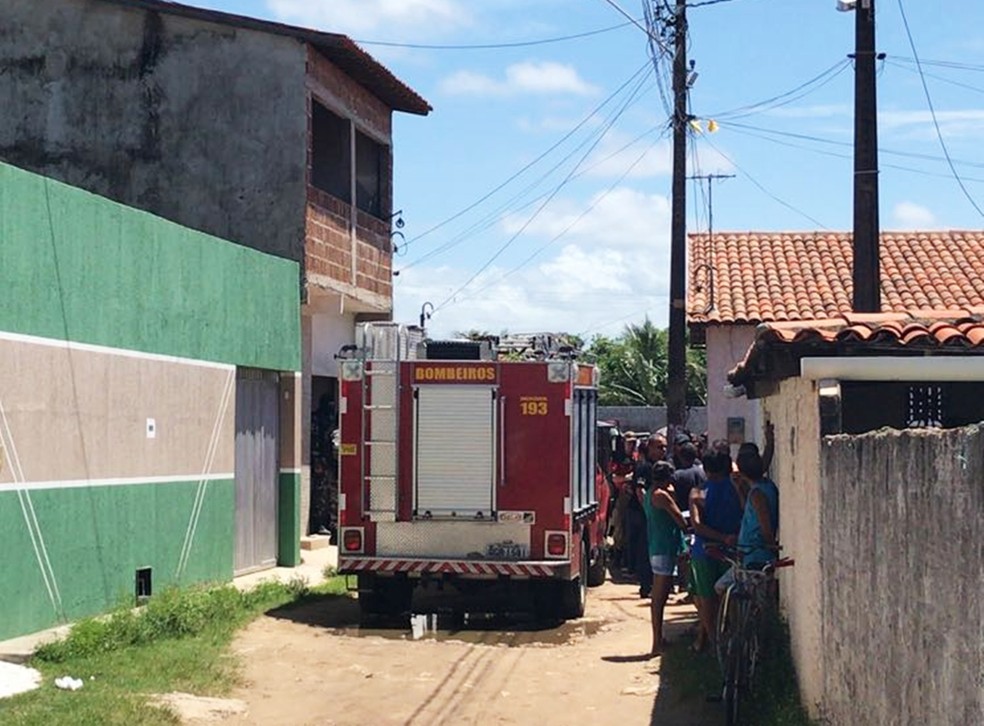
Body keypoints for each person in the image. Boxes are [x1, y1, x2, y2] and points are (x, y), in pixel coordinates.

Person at [688, 450, 743, 652]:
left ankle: (715, 644)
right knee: (731, 598)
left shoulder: (698, 493)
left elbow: (697, 526)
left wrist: (719, 537)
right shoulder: (738, 488)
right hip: (732, 551)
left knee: (706, 600)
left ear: (706, 468)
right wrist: (729, 538)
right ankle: (733, 641)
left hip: (705, 552)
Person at [715, 449, 780, 595]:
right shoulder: (765, 486)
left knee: (722, 587)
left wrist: (771, 547)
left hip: (755, 554)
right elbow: (749, 510)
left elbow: (765, 526)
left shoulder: (758, 493)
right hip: (753, 552)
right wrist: (739, 489)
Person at [642, 461, 688, 656]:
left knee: (659, 596)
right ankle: (656, 643)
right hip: (664, 547)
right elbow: (680, 519)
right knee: (659, 597)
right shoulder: (661, 496)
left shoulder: (650, 493)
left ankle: (659, 639)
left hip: (658, 545)